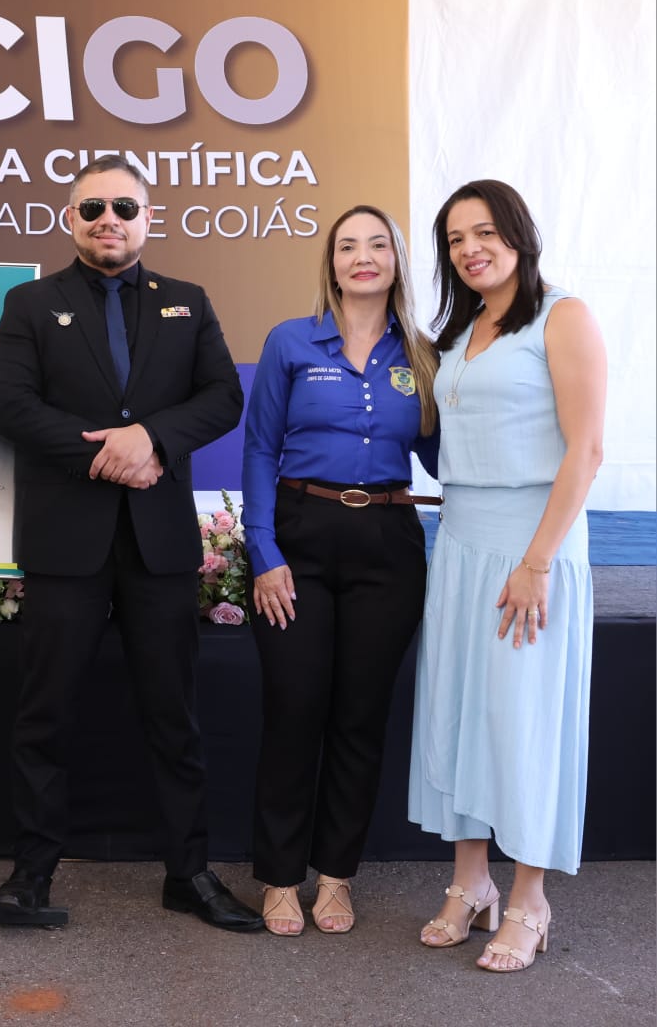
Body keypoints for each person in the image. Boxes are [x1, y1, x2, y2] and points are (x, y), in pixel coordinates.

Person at [0, 155, 261, 931]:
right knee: (43, 716)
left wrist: (152, 438)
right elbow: (12, 407)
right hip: (65, 543)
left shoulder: (187, 301)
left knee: (173, 717)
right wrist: (108, 453)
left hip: (156, 546)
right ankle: (31, 872)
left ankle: (188, 874)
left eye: (124, 208)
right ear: (69, 220)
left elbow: (222, 397)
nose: (108, 219)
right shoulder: (31, 303)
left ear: (147, 218)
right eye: (92, 208)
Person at [409, 179, 605, 972]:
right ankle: (470, 883)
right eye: (455, 239)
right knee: (460, 712)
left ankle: (529, 897)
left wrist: (536, 561)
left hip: (532, 545)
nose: (469, 249)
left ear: (519, 235)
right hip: (459, 541)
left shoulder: (563, 316)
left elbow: (586, 449)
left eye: (484, 232)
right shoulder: (459, 331)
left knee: (522, 721)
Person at [241, 205, 440, 936]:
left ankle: (334, 878)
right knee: (294, 708)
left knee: (360, 717)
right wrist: (264, 553)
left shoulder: (421, 355)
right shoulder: (291, 341)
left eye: (377, 244)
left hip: (388, 542)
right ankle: (277, 879)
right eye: (347, 245)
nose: (362, 256)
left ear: (395, 261)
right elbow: (259, 449)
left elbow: (446, 455)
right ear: (331, 263)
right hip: (299, 536)